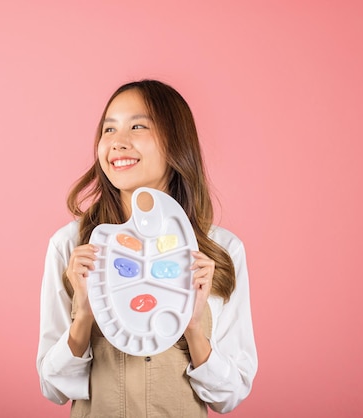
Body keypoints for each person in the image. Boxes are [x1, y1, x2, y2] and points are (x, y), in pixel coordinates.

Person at [36, 79, 257, 417]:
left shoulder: (221, 251)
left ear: (176, 142)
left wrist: (194, 330)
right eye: (108, 130)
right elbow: (53, 388)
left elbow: (230, 395)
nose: (117, 143)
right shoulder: (71, 246)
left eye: (137, 126)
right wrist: (84, 315)